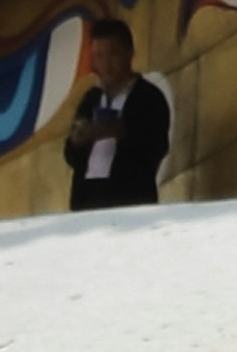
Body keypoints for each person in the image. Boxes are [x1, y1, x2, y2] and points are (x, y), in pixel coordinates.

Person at [61, 14, 171, 209]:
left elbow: (157, 146)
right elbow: (72, 156)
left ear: (129, 53)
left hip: (129, 198)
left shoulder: (148, 97)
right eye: (98, 56)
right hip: (87, 200)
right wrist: (77, 141)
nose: (105, 64)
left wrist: (120, 131)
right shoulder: (91, 98)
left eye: (113, 55)